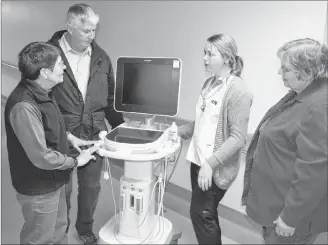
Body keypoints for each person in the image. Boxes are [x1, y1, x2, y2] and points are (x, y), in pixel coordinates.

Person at [4, 42, 98, 245]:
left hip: (56, 181)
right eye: (60, 64)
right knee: (39, 239)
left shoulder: (43, 92)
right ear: (45, 72)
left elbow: (48, 126)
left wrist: (70, 138)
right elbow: (41, 156)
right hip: (39, 187)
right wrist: (76, 162)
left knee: (58, 233)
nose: (64, 67)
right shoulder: (24, 105)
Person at [47, 3, 125, 244]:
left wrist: (120, 128)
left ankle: (84, 228)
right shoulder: (48, 55)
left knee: (90, 188)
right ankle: (60, 230)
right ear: (69, 27)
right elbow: (40, 97)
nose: (91, 36)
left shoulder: (101, 58)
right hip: (61, 132)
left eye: (94, 30)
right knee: (63, 189)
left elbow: (110, 98)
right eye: (86, 31)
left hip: (93, 132)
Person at [242, 38, 328, 244]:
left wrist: (290, 218)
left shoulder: (318, 105)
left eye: (286, 68)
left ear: (307, 71)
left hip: (289, 217)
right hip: (275, 205)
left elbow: (314, 171)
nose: (280, 73)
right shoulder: (298, 95)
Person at [178, 34, 253, 244]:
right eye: (205, 53)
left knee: (201, 214)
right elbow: (204, 121)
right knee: (205, 213)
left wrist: (209, 165)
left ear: (228, 58)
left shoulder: (238, 90)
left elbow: (237, 138)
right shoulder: (210, 83)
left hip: (214, 166)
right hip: (199, 161)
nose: (205, 58)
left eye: (211, 54)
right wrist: (179, 131)